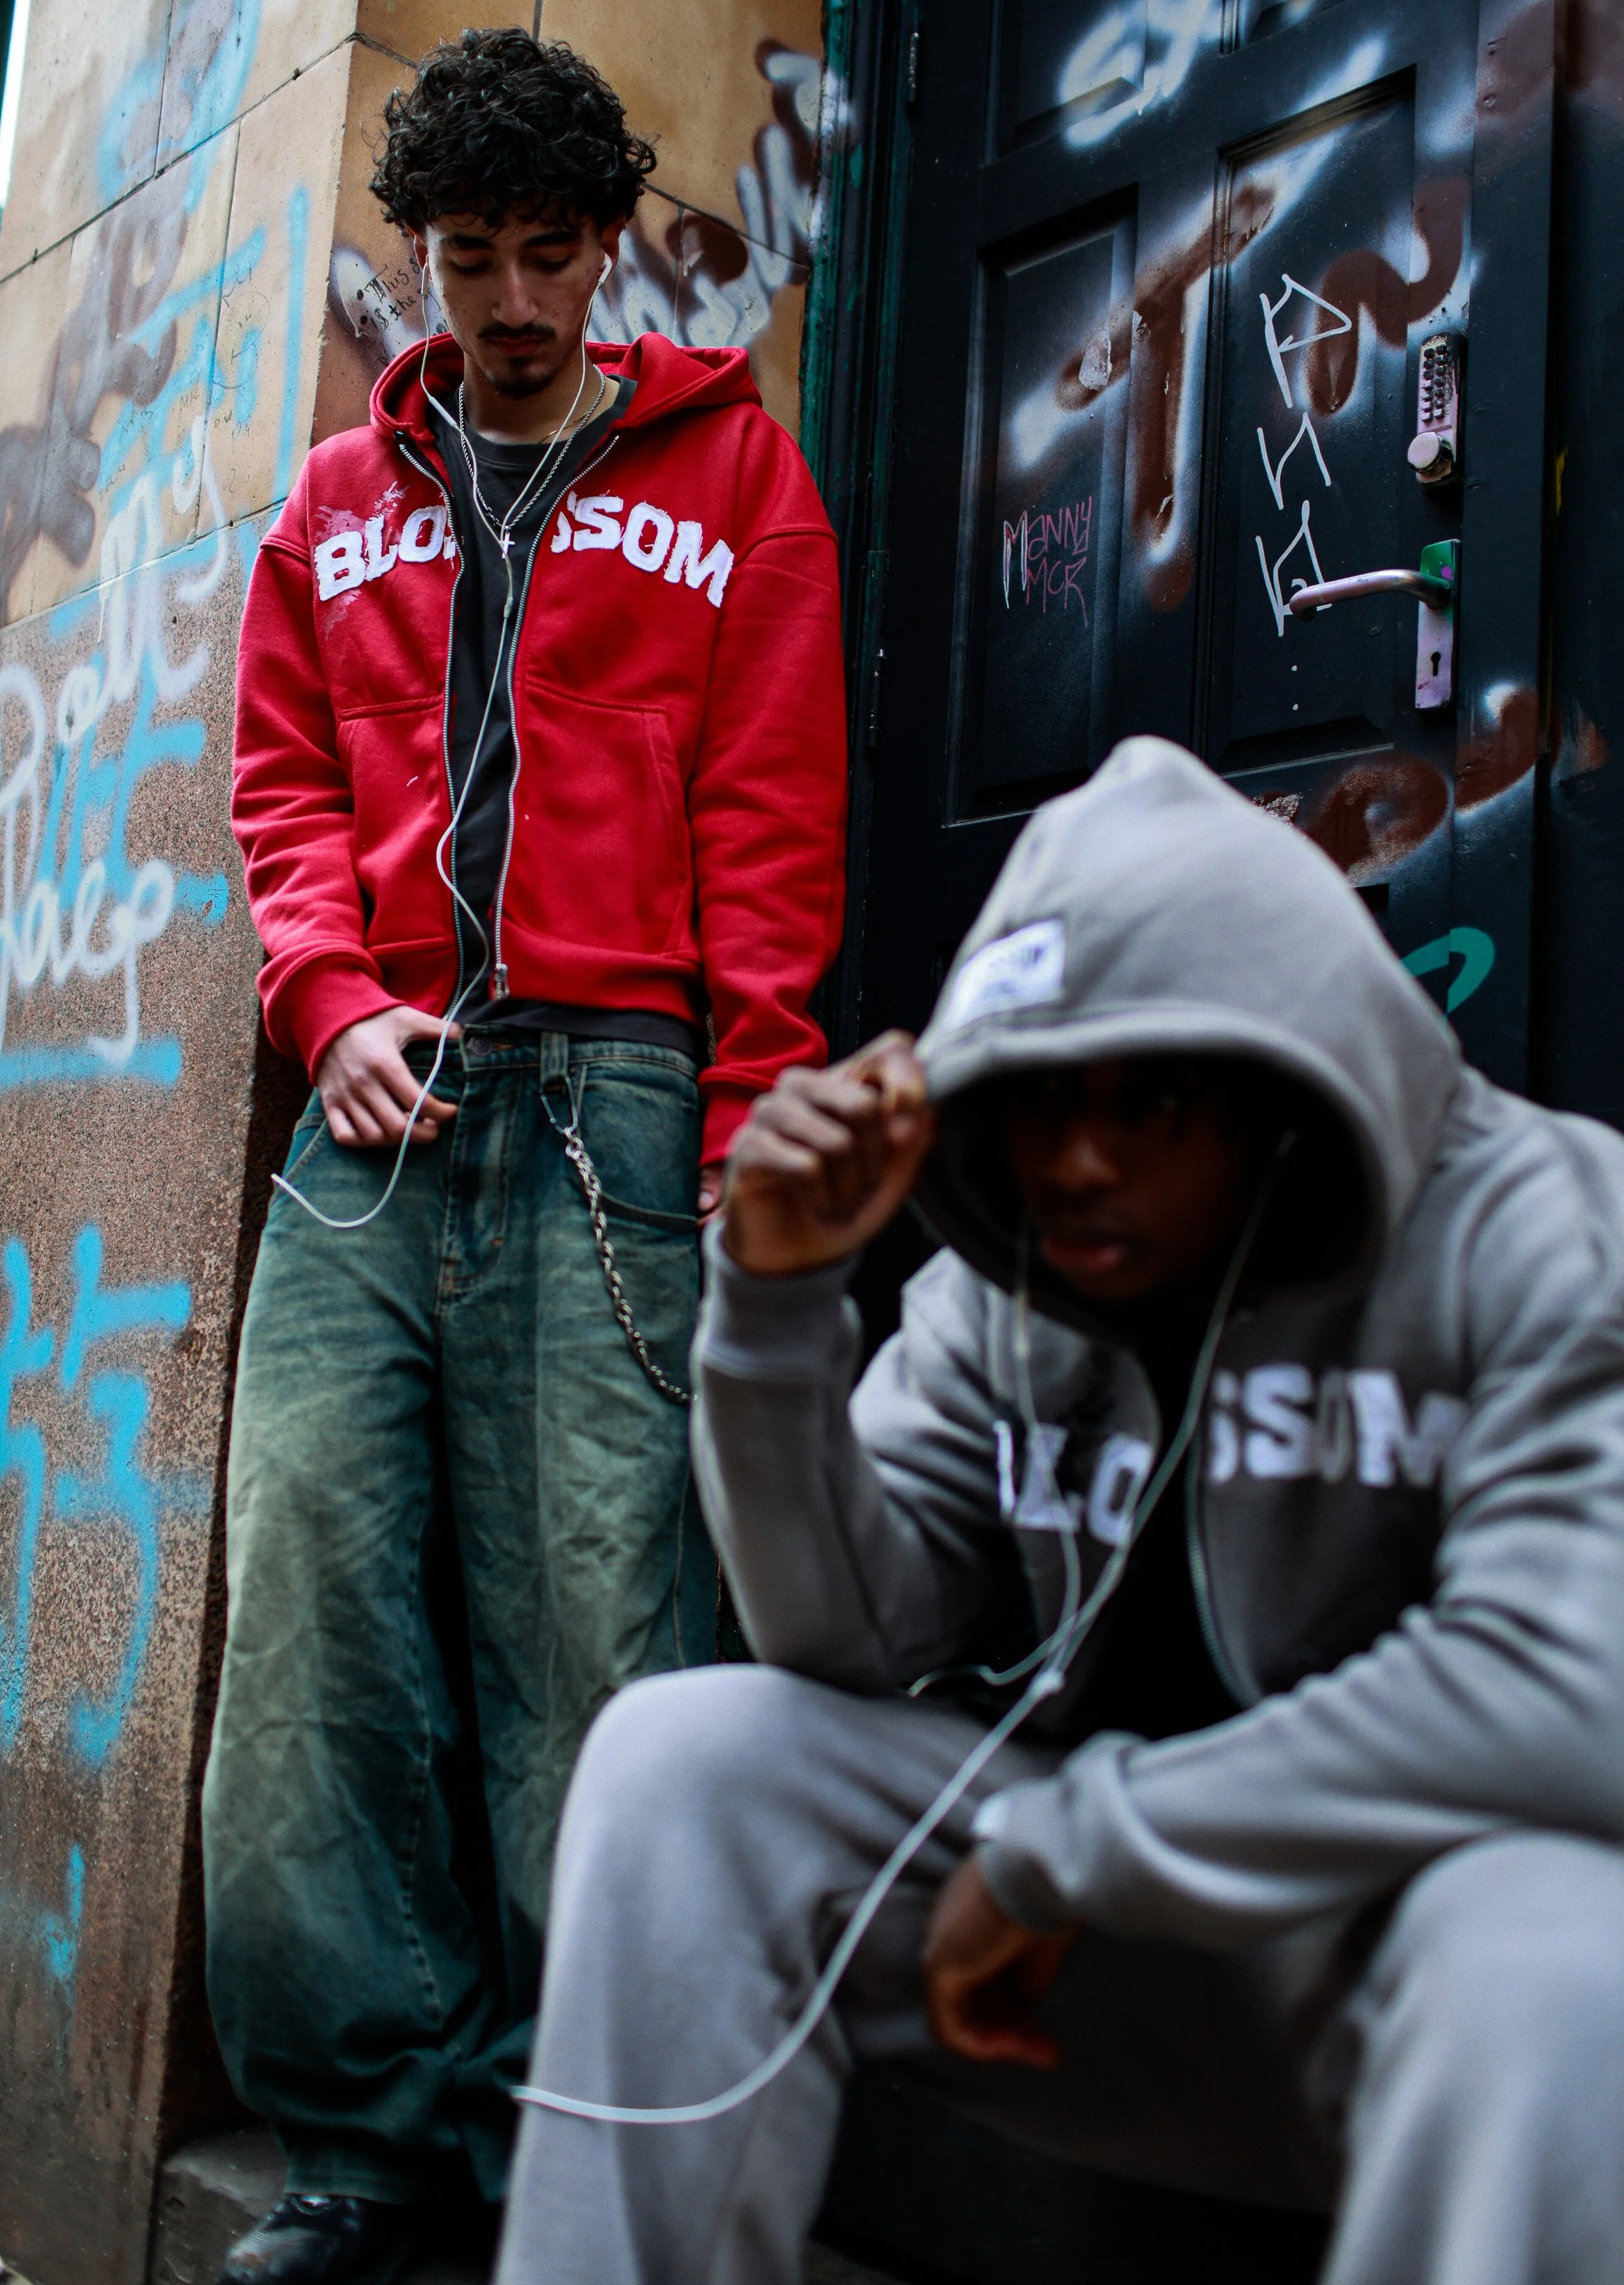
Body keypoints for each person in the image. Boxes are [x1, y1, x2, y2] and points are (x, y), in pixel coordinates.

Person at [498, 737, 1624, 2285]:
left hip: (1392, 2000)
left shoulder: (1547, 1226)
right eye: (1035, 1104)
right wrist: (770, 1312)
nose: (1077, 1164)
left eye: (1152, 1100)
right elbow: (842, 1637)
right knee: (687, 1763)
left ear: (1276, 1087)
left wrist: (1063, 1851)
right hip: (1066, 1984)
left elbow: (1568, 1694)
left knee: (1563, 1960)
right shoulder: (1003, 1295)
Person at [204, 27, 846, 2280]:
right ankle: (365, 2142)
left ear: (606, 255)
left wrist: (756, 1134)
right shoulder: (329, 508)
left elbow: (770, 828)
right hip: (382, 1109)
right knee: (307, 1591)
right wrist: (325, 998)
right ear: (424, 255)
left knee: (601, 1615)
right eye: (464, 255)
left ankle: (569, 2140)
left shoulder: (739, 482)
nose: (504, 297)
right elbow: (282, 789)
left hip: (620, 1099)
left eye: (546, 252)